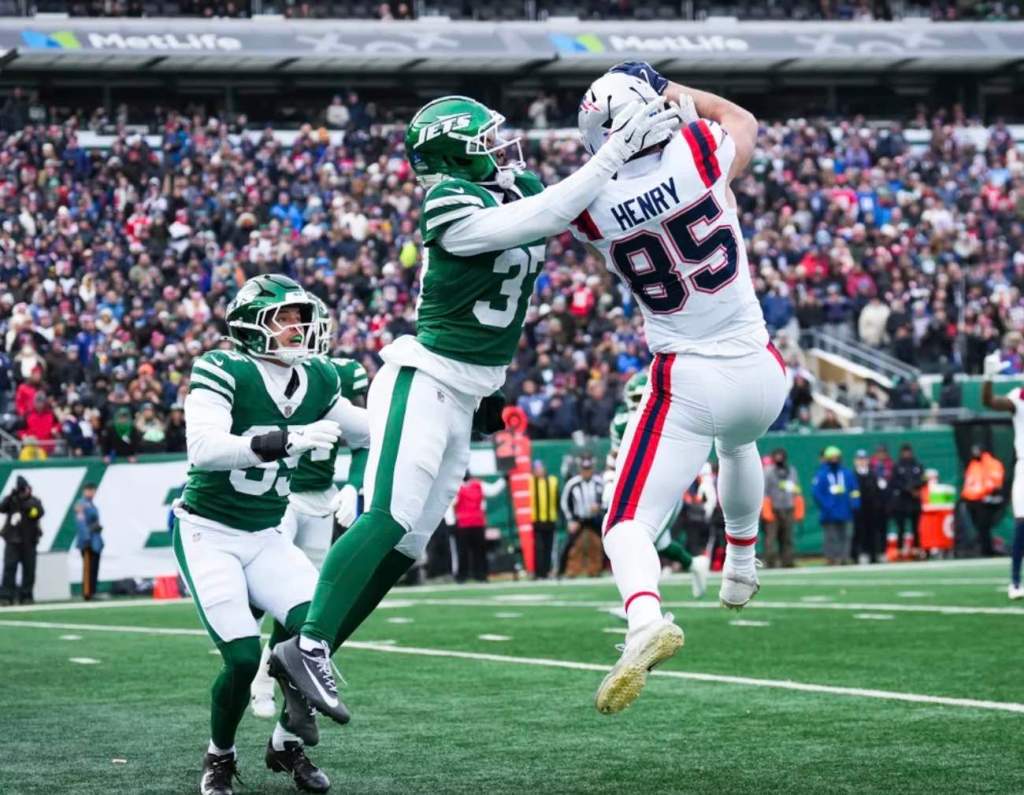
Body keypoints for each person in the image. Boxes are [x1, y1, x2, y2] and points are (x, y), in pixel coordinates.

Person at [272, 91, 683, 724]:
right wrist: (610, 153)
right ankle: (308, 645)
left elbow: (577, 206)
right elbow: (540, 216)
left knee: (406, 548)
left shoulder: (514, 184)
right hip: (424, 376)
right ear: (452, 156)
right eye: (482, 141)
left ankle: (305, 670)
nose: (498, 148)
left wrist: (650, 156)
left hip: (468, 392)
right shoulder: (447, 199)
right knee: (387, 517)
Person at [573, 64, 787, 714]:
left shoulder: (590, 208)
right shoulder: (698, 150)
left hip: (689, 376)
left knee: (625, 522)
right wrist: (674, 92)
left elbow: (561, 208)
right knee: (739, 442)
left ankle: (644, 618)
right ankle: (741, 565)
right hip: (763, 370)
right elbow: (742, 121)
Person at [173, 274, 369, 795]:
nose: (298, 327)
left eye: (301, 317)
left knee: (316, 634)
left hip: (266, 535)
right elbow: (204, 449)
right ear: (250, 324)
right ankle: (219, 755)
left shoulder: (318, 376)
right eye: (284, 317)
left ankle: (286, 743)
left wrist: (447, 412)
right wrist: (289, 439)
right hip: (209, 532)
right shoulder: (222, 367)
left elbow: (369, 429)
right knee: (242, 659)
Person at [249, 341, 370, 721]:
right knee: (266, 585)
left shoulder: (338, 376)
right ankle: (253, 671)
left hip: (321, 499)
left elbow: (364, 439)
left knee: (304, 600)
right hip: (282, 496)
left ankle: (270, 675)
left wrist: (354, 486)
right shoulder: (277, 377)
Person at [604, 371, 710, 595]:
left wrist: (703, 479)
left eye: (642, 397)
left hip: (664, 491)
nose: (639, 404)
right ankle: (694, 564)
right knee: (660, 544)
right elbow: (615, 456)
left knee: (640, 540)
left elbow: (688, 451)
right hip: (636, 491)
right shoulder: (621, 422)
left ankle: (644, 597)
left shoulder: (668, 417)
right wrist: (609, 482)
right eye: (635, 398)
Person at [980, 368, 1024, 598]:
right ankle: (1015, 582)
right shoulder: (1019, 397)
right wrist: (988, 378)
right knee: (1022, 524)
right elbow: (989, 401)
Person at [452, 472, 505, 582]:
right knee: (469, 552)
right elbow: (493, 490)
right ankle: (473, 575)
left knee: (475, 552)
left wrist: (503, 480)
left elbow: (492, 490)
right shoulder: (460, 486)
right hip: (468, 524)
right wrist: (503, 480)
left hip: (472, 523)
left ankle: (472, 576)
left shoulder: (466, 486)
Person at [0, 476, 45, 605]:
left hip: (29, 541)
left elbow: (39, 512)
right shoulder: (12, 500)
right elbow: (2, 508)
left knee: (29, 570)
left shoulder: (34, 501)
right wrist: (11, 496)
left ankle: (26, 595)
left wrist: (24, 504)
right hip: (13, 541)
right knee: (9, 568)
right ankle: (6, 596)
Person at [812, 446, 860, 565]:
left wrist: (855, 504)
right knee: (831, 537)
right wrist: (828, 505)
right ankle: (831, 558)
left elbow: (854, 490)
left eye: (836, 457)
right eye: (831, 457)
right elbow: (817, 493)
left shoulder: (847, 473)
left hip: (846, 510)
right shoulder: (821, 474)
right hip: (829, 512)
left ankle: (844, 558)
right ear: (827, 459)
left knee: (846, 536)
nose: (834, 460)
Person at [560, 455, 606, 578]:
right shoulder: (572, 484)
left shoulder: (599, 483)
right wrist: (570, 520)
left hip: (594, 518)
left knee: (605, 541)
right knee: (570, 544)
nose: (586, 472)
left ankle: (600, 568)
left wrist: (600, 506)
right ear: (580, 469)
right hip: (578, 518)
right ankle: (564, 570)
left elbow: (607, 499)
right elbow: (565, 503)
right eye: (584, 469)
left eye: (588, 469)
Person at [960, 444, 1005, 557]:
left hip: (984, 500)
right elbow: (970, 481)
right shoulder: (973, 464)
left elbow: (995, 482)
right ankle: (982, 548)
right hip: (972, 499)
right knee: (978, 526)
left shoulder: (991, 464)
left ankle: (987, 549)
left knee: (983, 526)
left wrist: (987, 493)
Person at [762, 448, 802, 568]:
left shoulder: (791, 471)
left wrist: (795, 498)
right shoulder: (768, 471)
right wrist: (766, 508)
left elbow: (797, 488)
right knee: (771, 537)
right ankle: (770, 561)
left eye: (781, 456)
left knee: (787, 537)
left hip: (788, 507)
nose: (779, 458)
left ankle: (787, 560)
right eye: (777, 456)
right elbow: (764, 490)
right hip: (773, 508)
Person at [852, 449, 887, 564]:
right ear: (855, 461)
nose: (862, 461)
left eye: (864, 459)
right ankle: (862, 554)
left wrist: (878, 505)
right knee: (859, 532)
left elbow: (879, 492)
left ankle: (875, 554)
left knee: (874, 532)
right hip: (858, 509)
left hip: (873, 509)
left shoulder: (873, 475)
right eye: (859, 459)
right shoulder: (852, 475)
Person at [890, 443, 924, 558]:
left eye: (908, 451)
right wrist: (909, 490)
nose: (907, 454)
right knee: (901, 527)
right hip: (902, 502)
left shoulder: (917, 465)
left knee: (916, 527)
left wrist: (916, 489)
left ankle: (916, 550)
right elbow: (895, 482)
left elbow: (922, 479)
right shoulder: (897, 466)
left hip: (915, 501)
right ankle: (900, 550)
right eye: (904, 452)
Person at [528, 460, 559, 579]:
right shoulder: (530, 482)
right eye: (536, 469)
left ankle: (547, 571)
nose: (539, 471)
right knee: (538, 548)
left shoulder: (552, 481)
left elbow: (557, 499)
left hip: (550, 519)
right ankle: (538, 572)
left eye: (540, 468)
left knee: (549, 548)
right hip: (536, 520)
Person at [74, 482, 102, 601]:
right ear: (84, 491)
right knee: (88, 568)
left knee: (94, 567)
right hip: (88, 540)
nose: (91, 493)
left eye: (93, 490)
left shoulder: (91, 504)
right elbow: (81, 522)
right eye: (89, 490)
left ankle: (93, 591)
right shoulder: (81, 504)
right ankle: (87, 592)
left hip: (96, 540)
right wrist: (86, 538)